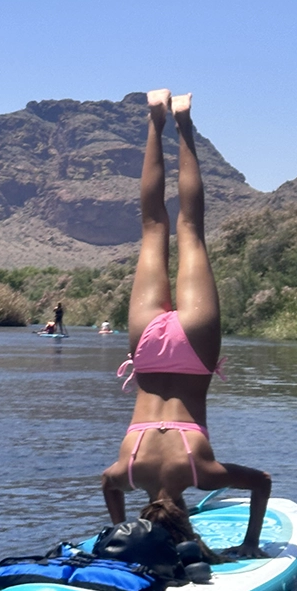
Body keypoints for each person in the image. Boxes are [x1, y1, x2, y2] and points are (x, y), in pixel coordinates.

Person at [100, 90, 271, 559]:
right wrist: (121, 530)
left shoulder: (202, 473)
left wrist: (250, 543)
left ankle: (184, 123)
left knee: (190, 229)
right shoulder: (126, 472)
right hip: (148, 349)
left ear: (185, 518)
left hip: (195, 352)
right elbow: (107, 488)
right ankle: (157, 120)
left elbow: (262, 483)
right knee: (154, 227)